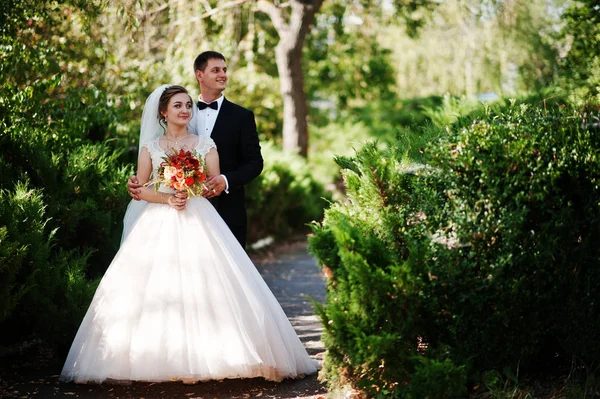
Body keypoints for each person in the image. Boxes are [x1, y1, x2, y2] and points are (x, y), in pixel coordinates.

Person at [60, 85, 318, 384]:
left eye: (187, 105)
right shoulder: (151, 148)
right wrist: (167, 197)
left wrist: (192, 187)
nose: (185, 110)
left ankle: (219, 355)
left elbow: (211, 185)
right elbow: (140, 189)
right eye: (177, 106)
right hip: (157, 221)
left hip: (199, 218)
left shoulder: (205, 144)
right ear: (163, 112)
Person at [127, 51, 262, 248]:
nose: (223, 74)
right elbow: (158, 160)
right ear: (199, 75)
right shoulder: (184, 111)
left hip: (226, 211)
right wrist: (137, 182)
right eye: (215, 70)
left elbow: (255, 162)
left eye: (224, 70)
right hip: (171, 215)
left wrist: (225, 180)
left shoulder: (242, 116)